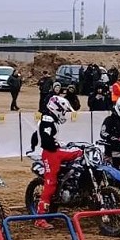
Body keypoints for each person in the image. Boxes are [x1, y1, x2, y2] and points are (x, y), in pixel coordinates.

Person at [30, 95, 79, 230]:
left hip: (55, 151)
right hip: (50, 154)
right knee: (50, 184)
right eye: (63, 111)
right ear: (56, 109)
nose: (64, 114)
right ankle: (40, 219)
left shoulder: (51, 120)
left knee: (80, 155)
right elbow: (46, 141)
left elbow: (41, 137)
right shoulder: (47, 120)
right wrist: (57, 145)